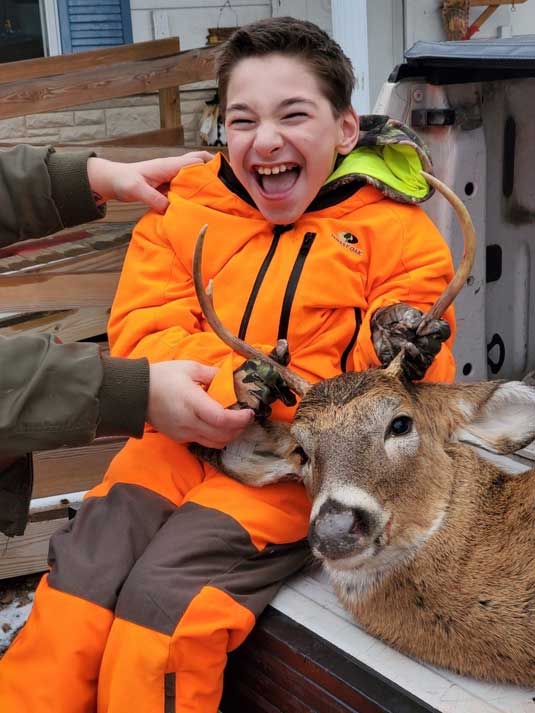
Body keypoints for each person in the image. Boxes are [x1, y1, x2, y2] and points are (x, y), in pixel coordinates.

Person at [0, 18, 455, 712]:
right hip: (172, 443)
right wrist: (225, 380)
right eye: (241, 119)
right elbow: (143, 324)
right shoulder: (188, 209)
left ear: (342, 129)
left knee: (165, 601)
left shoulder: (399, 234)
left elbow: (408, 389)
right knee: (78, 580)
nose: (263, 139)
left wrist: (405, 352)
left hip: (291, 468)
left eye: (292, 115)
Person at [0, 145, 254, 536]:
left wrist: (92, 177)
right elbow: (146, 330)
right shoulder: (171, 229)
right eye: (244, 119)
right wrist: (134, 392)